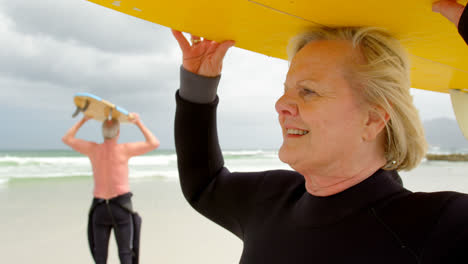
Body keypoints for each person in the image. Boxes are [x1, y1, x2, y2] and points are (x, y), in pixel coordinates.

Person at [172, 1, 468, 263]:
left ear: (373, 120)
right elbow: (204, 184)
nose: (281, 104)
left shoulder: (436, 226)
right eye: (286, 90)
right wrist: (198, 84)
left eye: (308, 91)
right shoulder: (270, 200)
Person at [62, 113, 159, 264]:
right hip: (120, 207)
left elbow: (67, 139)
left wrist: (83, 120)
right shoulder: (125, 149)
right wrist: (138, 123)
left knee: (100, 257)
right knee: (125, 254)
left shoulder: (93, 149)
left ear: (102, 132)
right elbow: (154, 143)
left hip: (100, 208)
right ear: (118, 132)